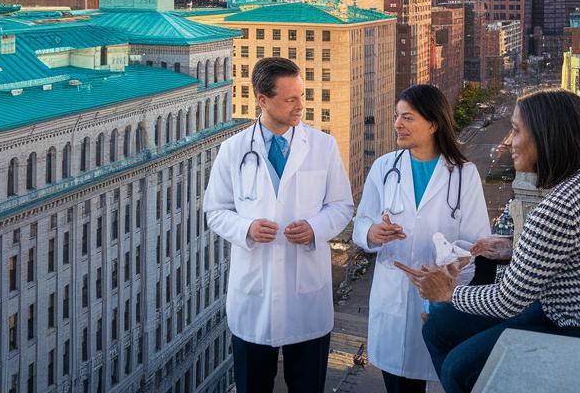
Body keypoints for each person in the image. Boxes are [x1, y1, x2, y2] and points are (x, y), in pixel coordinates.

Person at [399, 89, 580, 393]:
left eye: (516, 130)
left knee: (458, 368)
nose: (508, 141)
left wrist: (447, 292)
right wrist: (494, 258)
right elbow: (544, 267)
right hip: (565, 307)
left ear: (546, 136)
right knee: (440, 325)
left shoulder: (562, 206)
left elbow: (508, 300)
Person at [204, 57, 355, 393]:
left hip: (307, 297)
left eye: (302, 96)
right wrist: (246, 229)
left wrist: (315, 227)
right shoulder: (233, 150)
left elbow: (343, 205)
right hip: (254, 297)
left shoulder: (323, 146)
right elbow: (215, 211)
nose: (301, 106)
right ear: (263, 100)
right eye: (291, 99)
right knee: (252, 387)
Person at [352, 85, 490, 393]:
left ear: (433, 123)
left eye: (407, 117)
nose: (397, 124)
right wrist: (372, 233)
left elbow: (477, 241)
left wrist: (449, 265)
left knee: (443, 377)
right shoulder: (384, 168)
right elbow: (362, 223)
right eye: (397, 116)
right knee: (398, 383)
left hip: (440, 297)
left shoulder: (463, 174)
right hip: (393, 295)